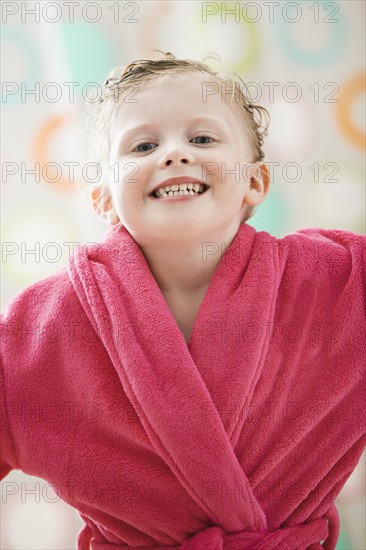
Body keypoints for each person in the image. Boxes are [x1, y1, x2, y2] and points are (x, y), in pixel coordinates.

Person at [1, 52, 365, 550]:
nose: (174, 154)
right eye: (144, 144)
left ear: (254, 182)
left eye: (202, 139)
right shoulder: (42, 330)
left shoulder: (340, 283)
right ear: (104, 198)